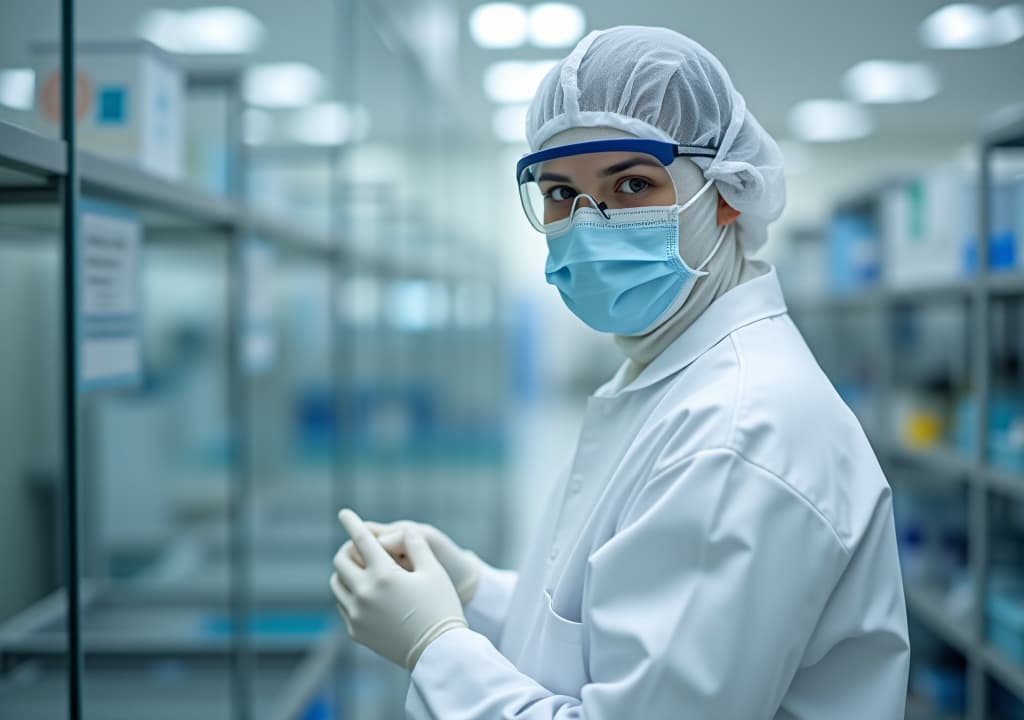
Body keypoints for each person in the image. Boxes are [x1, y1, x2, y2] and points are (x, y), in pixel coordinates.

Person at [330, 25, 910, 719]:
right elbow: (620, 631)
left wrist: (434, 644)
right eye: (557, 192)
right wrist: (473, 591)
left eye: (632, 184)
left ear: (728, 192)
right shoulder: (668, 372)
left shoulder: (740, 430)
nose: (588, 223)